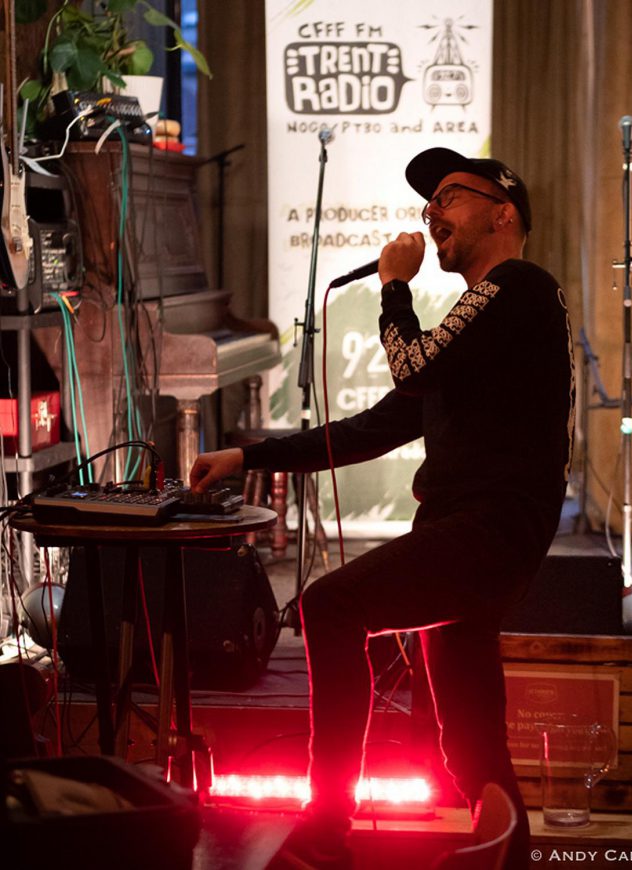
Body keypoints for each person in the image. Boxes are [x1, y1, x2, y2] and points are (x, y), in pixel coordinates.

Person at [190, 147, 575, 870]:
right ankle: (507, 853)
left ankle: (325, 827)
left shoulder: (518, 285)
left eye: (452, 195)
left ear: (504, 212)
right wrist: (249, 456)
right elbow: (374, 427)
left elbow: (411, 363)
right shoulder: (479, 327)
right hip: (471, 534)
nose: (432, 211)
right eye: (429, 200)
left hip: (490, 530)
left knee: (331, 607)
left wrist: (393, 288)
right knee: (472, 749)